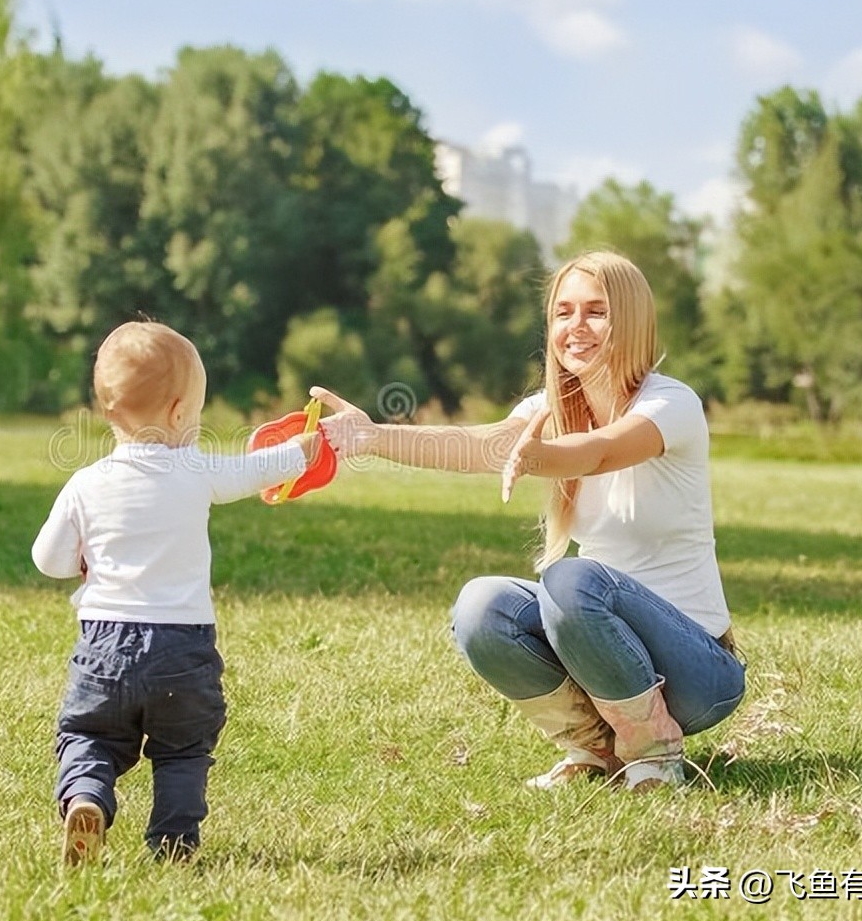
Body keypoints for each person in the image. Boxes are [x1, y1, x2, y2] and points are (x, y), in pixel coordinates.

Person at [311, 249, 744, 792]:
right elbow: (479, 445)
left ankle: (654, 750)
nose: (576, 326)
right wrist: (373, 437)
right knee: (480, 607)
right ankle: (596, 747)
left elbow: (599, 452)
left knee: (570, 579)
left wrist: (536, 455)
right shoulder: (552, 406)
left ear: (632, 321)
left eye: (596, 311)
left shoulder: (671, 404)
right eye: (563, 312)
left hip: (698, 673)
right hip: (607, 657)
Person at [32, 321, 319, 864]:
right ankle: (173, 842)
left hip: (104, 649)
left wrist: (82, 561)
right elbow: (252, 471)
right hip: (183, 652)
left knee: (89, 735)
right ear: (178, 412)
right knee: (183, 751)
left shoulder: (86, 484)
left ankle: (87, 797)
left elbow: (47, 560)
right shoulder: (195, 471)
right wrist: (302, 450)